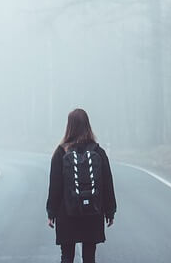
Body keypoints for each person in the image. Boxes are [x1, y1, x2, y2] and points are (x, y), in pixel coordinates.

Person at [46, 108, 117, 263]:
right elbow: (107, 184)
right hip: (93, 212)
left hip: (67, 213)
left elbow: (55, 186)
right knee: (89, 257)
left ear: (69, 126)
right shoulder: (99, 152)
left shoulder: (60, 153)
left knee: (66, 257)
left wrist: (51, 212)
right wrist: (110, 211)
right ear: (87, 125)